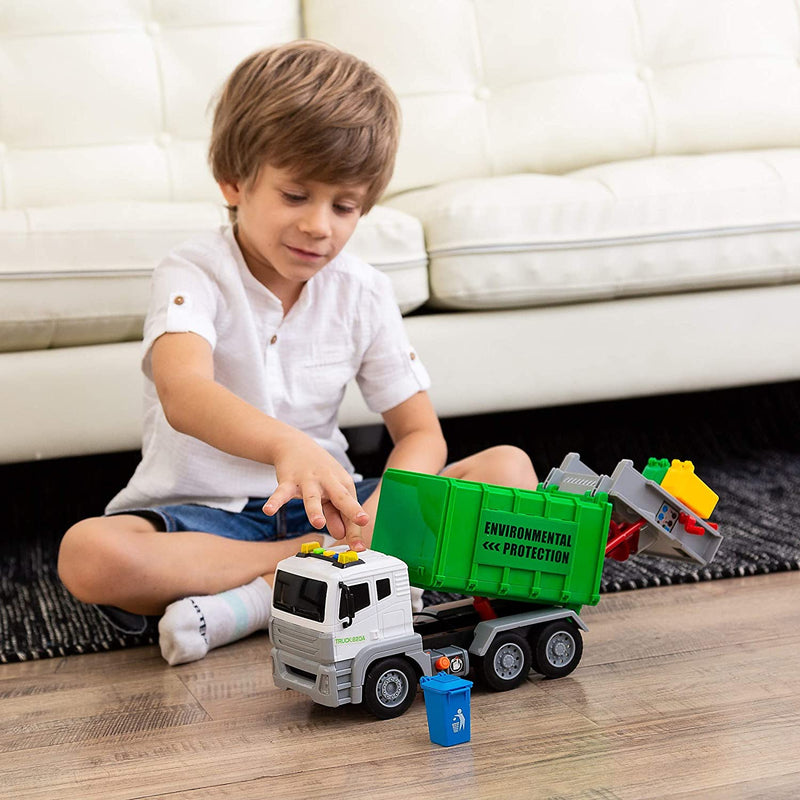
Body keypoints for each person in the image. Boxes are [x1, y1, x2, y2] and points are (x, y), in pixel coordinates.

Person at [58, 40, 538, 666]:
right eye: (295, 196)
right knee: (90, 555)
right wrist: (289, 447)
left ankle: (271, 595)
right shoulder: (192, 273)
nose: (320, 226)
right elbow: (184, 393)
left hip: (336, 513)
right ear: (234, 182)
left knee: (509, 468)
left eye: (345, 207)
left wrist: (383, 504)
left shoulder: (362, 291)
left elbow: (420, 431)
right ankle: (312, 574)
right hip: (211, 521)